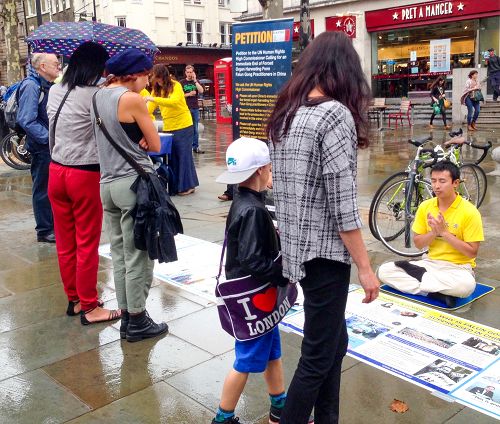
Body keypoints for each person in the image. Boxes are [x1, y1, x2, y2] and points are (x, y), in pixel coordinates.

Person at [266, 32, 380, 424]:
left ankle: (328, 418)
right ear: (346, 70)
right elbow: (343, 204)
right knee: (317, 355)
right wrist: (365, 267)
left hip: (299, 249)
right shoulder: (334, 114)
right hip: (327, 253)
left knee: (335, 342)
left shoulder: (287, 111)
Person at [213, 137, 294, 424]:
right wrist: (284, 272)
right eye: (269, 167)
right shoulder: (253, 210)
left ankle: (280, 404)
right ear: (261, 170)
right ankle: (223, 417)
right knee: (245, 360)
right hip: (254, 299)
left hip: (257, 299)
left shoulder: (242, 201)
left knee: (273, 353)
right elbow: (253, 261)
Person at [91, 48, 168, 342]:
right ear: (134, 75)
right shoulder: (131, 99)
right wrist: (142, 142)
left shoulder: (97, 97)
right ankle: (137, 319)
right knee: (138, 254)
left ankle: (126, 314)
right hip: (133, 184)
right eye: (146, 76)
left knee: (119, 253)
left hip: (107, 184)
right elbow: (156, 143)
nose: (147, 82)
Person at [46, 42, 121, 324]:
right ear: (97, 67)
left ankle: (75, 300)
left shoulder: (55, 89)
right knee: (87, 243)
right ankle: (91, 308)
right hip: (85, 174)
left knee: (65, 243)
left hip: (56, 171)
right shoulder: (96, 95)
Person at [378, 161, 484, 308]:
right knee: (384, 271)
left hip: (458, 268)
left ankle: (422, 282)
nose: (436, 186)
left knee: (465, 287)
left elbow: (472, 252)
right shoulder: (425, 206)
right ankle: (433, 292)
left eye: (442, 181)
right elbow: (418, 243)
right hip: (430, 264)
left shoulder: (470, 212)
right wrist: (433, 232)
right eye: (433, 181)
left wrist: (444, 233)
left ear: (455, 183)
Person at [17, 53, 61, 243]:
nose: (58, 66)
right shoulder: (31, 86)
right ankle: (44, 230)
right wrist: (48, 139)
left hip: (47, 146)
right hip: (42, 147)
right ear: (42, 66)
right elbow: (26, 119)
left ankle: (50, 226)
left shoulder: (45, 85)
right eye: (55, 63)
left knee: (49, 188)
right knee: (42, 188)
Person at [146, 64, 199, 196]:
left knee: (184, 155)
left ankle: (188, 185)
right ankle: (176, 186)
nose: (157, 81)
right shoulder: (156, 89)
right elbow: (149, 108)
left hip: (184, 125)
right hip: (169, 127)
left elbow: (174, 102)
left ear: (163, 75)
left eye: (158, 78)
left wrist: (153, 98)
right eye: (155, 79)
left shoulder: (176, 85)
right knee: (173, 157)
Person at [179, 65, 204, 153]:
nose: (189, 74)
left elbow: (201, 91)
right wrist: (189, 94)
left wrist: (195, 81)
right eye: (188, 72)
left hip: (195, 108)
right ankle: (186, 147)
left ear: (193, 72)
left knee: (195, 129)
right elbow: (179, 96)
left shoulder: (196, 82)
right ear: (185, 73)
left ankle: (195, 147)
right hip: (185, 108)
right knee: (185, 128)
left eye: (191, 72)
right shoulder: (181, 82)